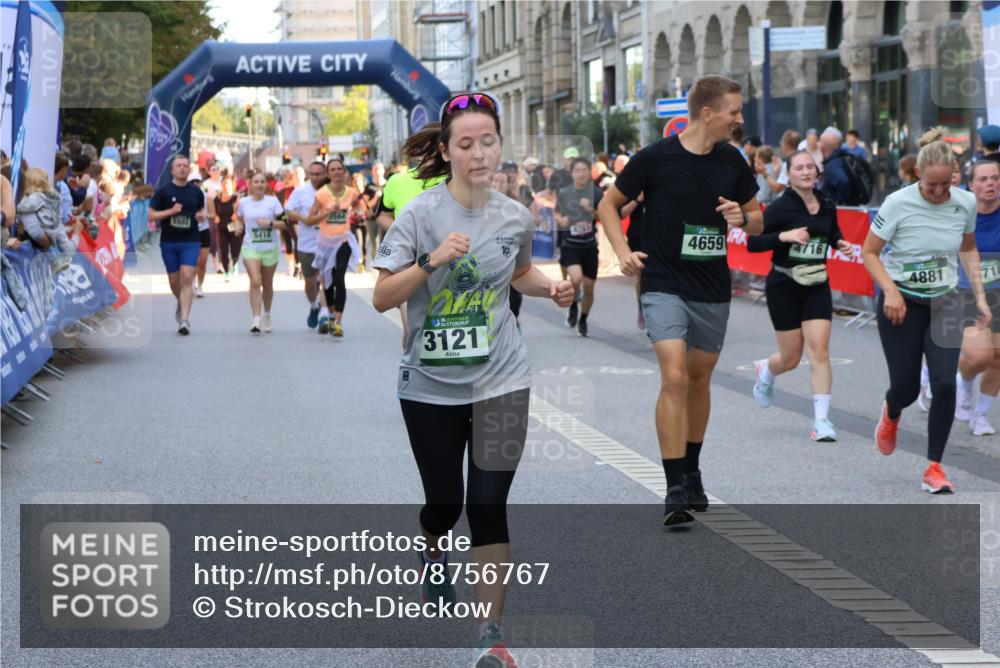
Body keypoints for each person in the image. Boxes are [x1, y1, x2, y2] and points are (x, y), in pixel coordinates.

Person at [371, 91, 574, 668]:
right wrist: (431, 261)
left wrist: (551, 290)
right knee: (445, 502)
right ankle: (432, 546)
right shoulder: (419, 214)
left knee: (487, 504)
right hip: (430, 385)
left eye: (489, 141)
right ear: (446, 150)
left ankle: (491, 635)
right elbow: (383, 296)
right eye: (467, 144)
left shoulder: (515, 216)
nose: (480, 153)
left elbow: (523, 274)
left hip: (502, 379)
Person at [597, 75, 763, 525]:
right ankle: (673, 487)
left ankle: (692, 468)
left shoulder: (732, 161)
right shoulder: (654, 158)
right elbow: (608, 205)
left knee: (699, 378)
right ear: (708, 113)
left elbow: (757, 221)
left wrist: (741, 217)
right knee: (673, 375)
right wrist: (622, 252)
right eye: (733, 111)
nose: (739, 118)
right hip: (664, 280)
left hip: (710, 284)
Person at [862, 127, 988, 494]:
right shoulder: (897, 203)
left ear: (954, 176)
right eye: (931, 186)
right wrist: (890, 291)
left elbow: (967, 248)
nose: (938, 193)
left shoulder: (964, 203)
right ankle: (892, 409)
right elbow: (869, 252)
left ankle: (934, 467)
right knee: (905, 387)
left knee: (945, 383)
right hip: (901, 301)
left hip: (946, 300)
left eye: (944, 186)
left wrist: (978, 296)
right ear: (918, 175)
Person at [748, 151, 855, 441]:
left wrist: (840, 244)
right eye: (799, 168)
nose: (806, 172)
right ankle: (767, 370)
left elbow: (832, 234)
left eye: (810, 167)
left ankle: (821, 421)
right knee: (791, 358)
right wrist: (784, 237)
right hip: (784, 284)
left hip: (817, 283)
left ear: (817, 172)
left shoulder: (827, 204)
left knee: (819, 350)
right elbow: (752, 243)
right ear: (790, 175)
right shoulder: (780, 207)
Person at [954, 159, 1000, 436]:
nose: (990, 184)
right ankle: (965, 381)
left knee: (998, 358)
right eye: (983, 179)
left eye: (994, 178)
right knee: (979, 356)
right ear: (970, 185)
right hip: (967, 291)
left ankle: (981, 415)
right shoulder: (961, 214)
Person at [148, 155, 205, 335]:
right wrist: (171, 211)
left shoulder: (196, 192)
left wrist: (201, 215)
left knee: (188, 277)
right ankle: (181, 301)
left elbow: (202, 209)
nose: (182, 168)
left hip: (191, 240)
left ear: (189, 170)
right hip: (169, 241)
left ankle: (184, 320)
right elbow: (151, 215)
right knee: (174, 280)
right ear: (173, 170)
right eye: (178, 165)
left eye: (185, 165)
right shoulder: (163, 191)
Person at [306, 158, 362, 337]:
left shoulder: (351, 193)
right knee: (328, 284)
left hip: (343, 240)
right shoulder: (322, 194)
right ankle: (330, 315)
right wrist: (328, 212)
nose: (337, 172)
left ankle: (338, 321)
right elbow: (309, 219)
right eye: (333, 169)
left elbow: (360, 209)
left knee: (339, 278)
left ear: (344, 171)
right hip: (325, 243)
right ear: (328, 173)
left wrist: (358, 213)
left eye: (339, 169)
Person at [555, 157, 603, 337]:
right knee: (575, 279)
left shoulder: (596, 193)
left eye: (584, 170)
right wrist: (561, 220)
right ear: (572, 173)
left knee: (589, 287)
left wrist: (590, 208)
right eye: (577, 170)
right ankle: (574, 305)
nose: (581, 174)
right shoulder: (565, 192)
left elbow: (602, 217)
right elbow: (557, 213)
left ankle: (583, 319)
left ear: (589, 172)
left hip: (589, 245)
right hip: (571, 244)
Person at [234, 172, 286, 333]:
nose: (259, 184)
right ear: (250, 185)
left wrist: (270, 223)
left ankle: (267, 314)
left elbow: (284, 224)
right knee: (255, 281)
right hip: (251, 247)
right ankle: (256, 318)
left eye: (262, 181)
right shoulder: (243, 202)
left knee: (267, 284)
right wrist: (237, 226)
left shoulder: (273, 202)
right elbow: (237, 218)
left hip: (270, 248)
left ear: (266, 185)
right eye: (256, 182)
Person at [285, 161, 328, 328]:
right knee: (310, 282)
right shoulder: (301, 191)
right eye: (313, 174)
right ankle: (314, 305)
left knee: (327, 279)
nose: (315, 177)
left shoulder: (330, 190)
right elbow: (288, 210)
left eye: (319, 174)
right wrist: (304, 219)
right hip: (307, 244)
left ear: (325, 174)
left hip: (328, 242)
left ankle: (325, 313)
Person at [15, 168, 76, 272]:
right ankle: (58, 260)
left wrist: (16, 206)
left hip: (43, 231)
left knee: (48, 247)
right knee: (54, 246)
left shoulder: (34, 198)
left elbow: (24, 208)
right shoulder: (51, 197)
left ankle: (56, 262)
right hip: (52, 227)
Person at [210, 176, 241, 280]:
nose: (225, 185)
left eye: (227, 183)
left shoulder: (236, 197)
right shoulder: (217, 199)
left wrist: (236, 214)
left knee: (235, 249)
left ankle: (235, 265)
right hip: (222, 228)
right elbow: (213, 213)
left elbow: (240, 210)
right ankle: (227, 272)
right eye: (223, 183)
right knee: (223, 251)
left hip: (234, 227)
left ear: (231, 185)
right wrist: (216, 217)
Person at [187, 169, 211, 298]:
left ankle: (200, 285)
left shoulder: (206, 196)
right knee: (193, 261)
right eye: (192, 182)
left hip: (204, 230)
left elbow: (213, 214)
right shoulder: (184, 197)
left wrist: (206, 215)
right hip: (190, 231)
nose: (195, 184)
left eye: (197, 181)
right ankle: (192, 283)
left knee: (202, 261)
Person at [819, 127, 852, 205]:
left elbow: (843, 182)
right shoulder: (844, 158)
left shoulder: (832, 166)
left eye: (819, 142)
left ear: (822, 147)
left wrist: (839, 204)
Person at [350, 170, 372, 271]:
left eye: (358, 181)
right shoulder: (351, 193)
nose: (357, 183)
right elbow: (349, 207)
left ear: (362, 182)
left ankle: (363, 261)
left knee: (365, 243)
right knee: (358, 241)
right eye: (355, 181)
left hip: (365, 220)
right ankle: (358, 261)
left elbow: (368, 206)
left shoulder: (366, 193)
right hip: (354, 221)